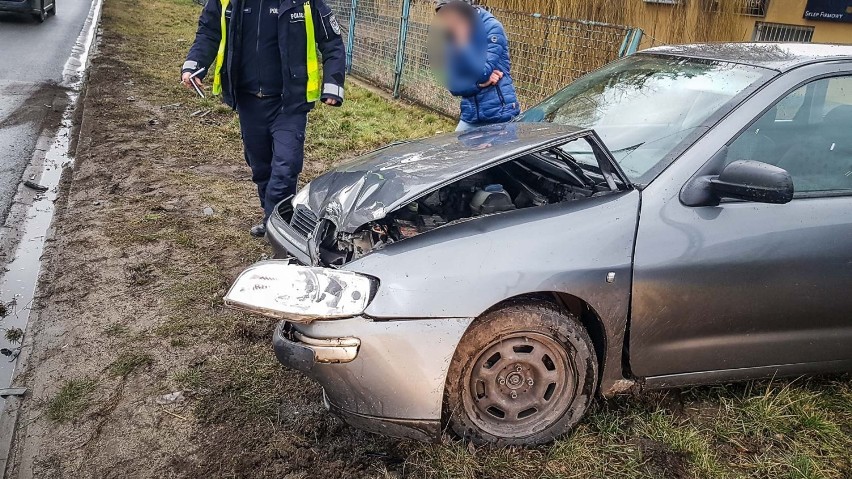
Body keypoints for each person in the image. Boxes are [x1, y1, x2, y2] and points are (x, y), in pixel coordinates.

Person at [181, 0, 346, 237]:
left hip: (289, 102)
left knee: (286, 164)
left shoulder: (304, 2)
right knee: (260, 166)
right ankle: (274, 215)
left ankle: (276, 224)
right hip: (248, 99)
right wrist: (194, 66)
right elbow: (208, 31)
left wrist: (333, 85)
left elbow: (331, 42)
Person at [435, 0, 519, 132]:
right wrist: (478, 85)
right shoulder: (452, 35)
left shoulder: (492, 27)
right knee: (459, 151)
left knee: (495, 153)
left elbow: (483, 73)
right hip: (471, 115)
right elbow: (453, 85)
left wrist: (463, 44)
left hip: (500, 115)